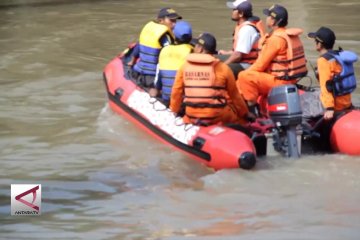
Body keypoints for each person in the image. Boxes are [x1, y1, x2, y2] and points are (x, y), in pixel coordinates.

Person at [237, 4, 308, 115]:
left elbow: (260, 65)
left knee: (243, 76)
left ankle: (252, 111)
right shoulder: (288, 35)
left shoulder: (276, 39)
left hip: (280, 81)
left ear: (274, 21)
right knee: (244, 79)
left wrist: (243, 77)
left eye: (269, 16)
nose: (266, 18)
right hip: (291, 79)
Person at [170, 33, 253, 126]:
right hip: (217, 116)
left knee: (186, 117)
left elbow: (176, 92)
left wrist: (174, 111)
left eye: (196, 46)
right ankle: (248, 131)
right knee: (240, 118)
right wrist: (245, 113)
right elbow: (235, 95)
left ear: (200, 49)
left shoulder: (184, 67)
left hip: (192, 115)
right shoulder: (223, 68)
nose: (194, 48)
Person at [308, 27, 357, 120]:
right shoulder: (339, 56)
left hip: (336, 106)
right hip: (346, 102)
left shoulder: (323, 61)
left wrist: (329, 108)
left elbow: (325, 86)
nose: (315, 44)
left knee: (302, 105)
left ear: (319, 44)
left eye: (315, 41)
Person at [131, 7, 182, 88]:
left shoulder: (149, 29)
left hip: (137, 71)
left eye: (175, 21)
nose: (174, 24)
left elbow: (137, 48)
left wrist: (131, 62)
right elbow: (169, 57)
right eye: (171, 20)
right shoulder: (165, 37)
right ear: (161, 21)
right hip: (152, 77)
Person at [149, 21, 193, 106]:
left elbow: (158, 82)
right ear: (190, 37)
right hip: (183, 100)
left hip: (167, 99)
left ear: (174, 35)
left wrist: (156, 89)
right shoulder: (192, 51)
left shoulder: (164, 51)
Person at [219, 0, 265, 71]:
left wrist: (222, 66)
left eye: (234, 9)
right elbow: (239, 51)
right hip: (242, 60)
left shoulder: (247, 29)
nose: (232, 12)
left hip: (248, 65)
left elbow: (237, 56)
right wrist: (226, 53)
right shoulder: (243, 26)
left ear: (241, 13)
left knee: (219, 68)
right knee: (213, 58)